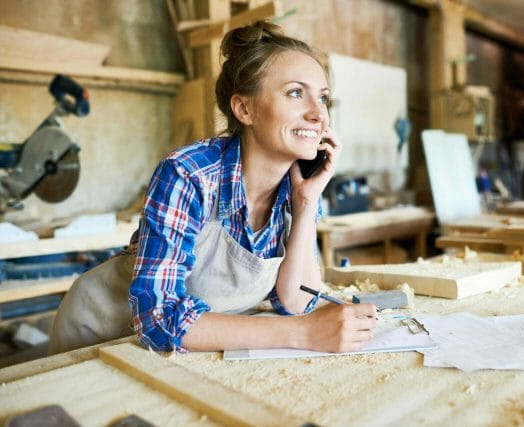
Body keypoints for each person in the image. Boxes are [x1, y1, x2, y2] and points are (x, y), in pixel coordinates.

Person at [49, 21, 377, 355]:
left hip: (183, 349)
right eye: (296, 93)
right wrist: (302, 334)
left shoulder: (296, 186)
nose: (318, 114)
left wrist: (306, 203)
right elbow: (160, 319)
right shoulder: (189, 174)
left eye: (323, 99)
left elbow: (295, 301)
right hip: (103, 335)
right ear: (244, 108)